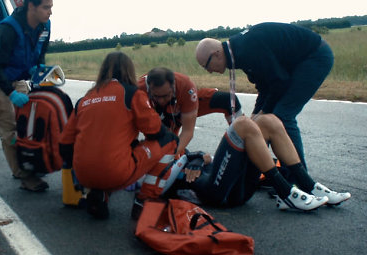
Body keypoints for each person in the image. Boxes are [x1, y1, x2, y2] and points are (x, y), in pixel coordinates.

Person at [195, 22, 334, 173]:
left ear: (216, 54)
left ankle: (298, 179)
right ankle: (268, 171)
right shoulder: (237, 52)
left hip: (315, 56)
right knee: (261, 120)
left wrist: (263, 112)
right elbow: (264, 86)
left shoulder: (247, 50)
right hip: (293, 64)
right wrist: (256, 114)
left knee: (282, 117)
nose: (208, 71)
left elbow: (279, 83)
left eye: (206, 65)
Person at [59, 52, 179, 219]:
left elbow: (64, 145)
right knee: (171, 140)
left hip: (83, 175)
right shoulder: (131, 94)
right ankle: (145, 200)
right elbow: (155, 132)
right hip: (115, 172)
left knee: (112, 150)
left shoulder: (84, 99)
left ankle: (99, 193)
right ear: (129, 71)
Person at [160, 114, 351, 211]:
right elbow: (159, 184)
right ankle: (286, 193)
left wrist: (196, 158)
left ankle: (309, 185)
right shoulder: (148, 162)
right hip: (216, 193)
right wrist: (191, 164)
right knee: (243, 125)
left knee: (267, 120)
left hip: (236, 185)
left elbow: (202, 156)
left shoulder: (178, 149)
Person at [0, 0, 52, 192]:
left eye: (51, 7)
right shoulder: (8, 29)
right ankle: (23, 174)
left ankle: (28, 162)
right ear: (31, 7)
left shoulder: (45, 26)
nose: (50, 12)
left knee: (28, 122)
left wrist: (38, 68)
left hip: (18, 74)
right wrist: (10, 94)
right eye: (46, 7)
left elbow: (40, 52)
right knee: (9, 126)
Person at [137, 68, 243, 156]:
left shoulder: (185, 86)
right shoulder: (137, 91)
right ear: (148, 89)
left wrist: (170, 155)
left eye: (165, 96)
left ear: (174, 87)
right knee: (163, 148)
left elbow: (188, 131)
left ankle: (243, 144)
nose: (161, 100)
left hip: (183, 105)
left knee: (228, 100)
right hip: (156, 115)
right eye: (156, 96)